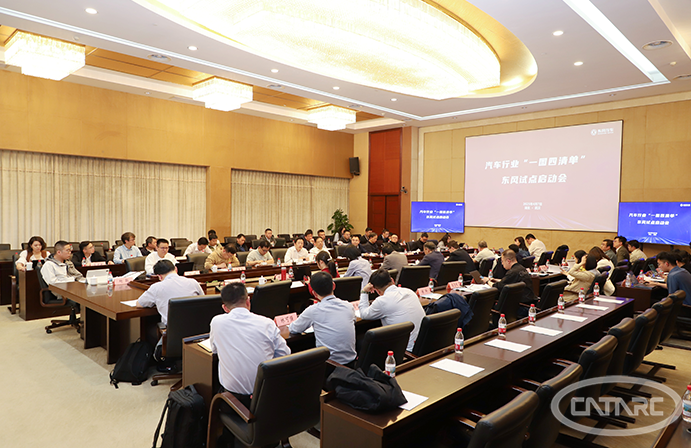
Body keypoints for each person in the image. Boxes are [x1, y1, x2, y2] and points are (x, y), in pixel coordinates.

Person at [209, 282, 290, 407]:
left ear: (225, 308)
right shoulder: (267, 323)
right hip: (267, 397)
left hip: (233, 400)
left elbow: (214, 350)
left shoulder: (217, 322)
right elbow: (285, 354)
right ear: (248, 301)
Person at [289, 271, 356, 365]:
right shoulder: (348, 306)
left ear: (314, 293)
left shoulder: (313, 310)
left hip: (329, 365)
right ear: (333, 286)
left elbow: (294, 329)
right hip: (352, 362)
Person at [359, 268, 425, 351]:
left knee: (362, 340)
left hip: (405, 350)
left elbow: (363, 314)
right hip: (422, 344)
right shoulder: (409, 292)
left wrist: (364, 292)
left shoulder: (382, 301)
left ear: (378, 291)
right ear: (392, 280)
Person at [136, 260, 204, 326]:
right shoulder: (193, 282)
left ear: (159, 276)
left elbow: (139, 304)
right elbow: (204, 300)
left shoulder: (156, 287)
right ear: (176, 269)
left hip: (173, 330)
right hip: (197, 328)